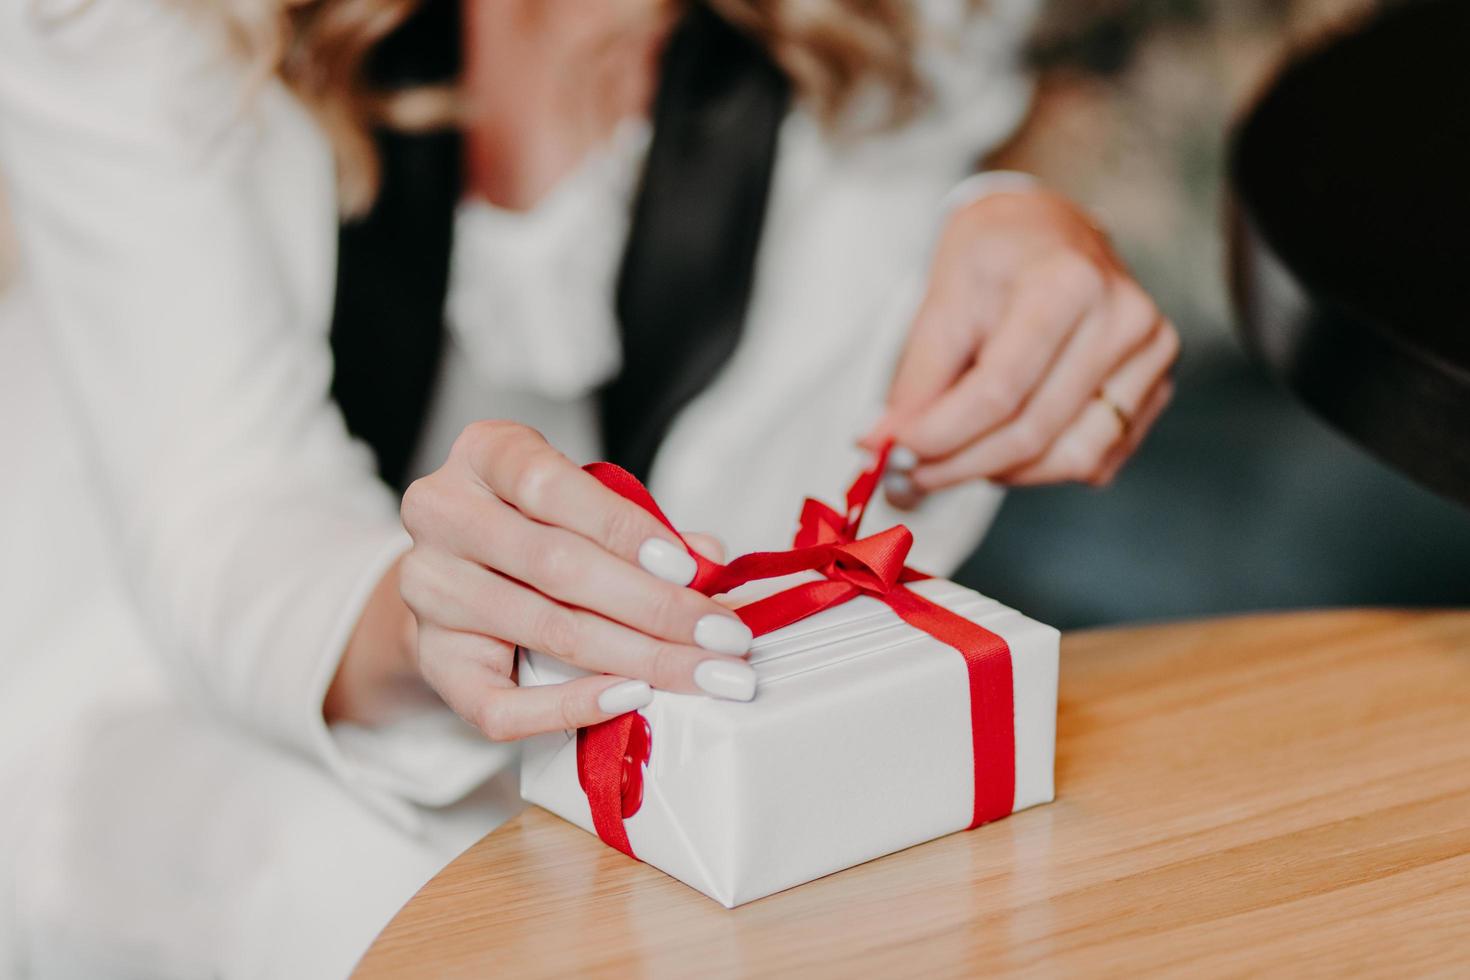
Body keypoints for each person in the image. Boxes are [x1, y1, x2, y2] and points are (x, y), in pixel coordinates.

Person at [0, 0, 1177, 974]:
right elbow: (224, 504)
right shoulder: (125, 26)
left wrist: (998, 234)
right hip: (176, 642)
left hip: (627, 687)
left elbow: (806, 477)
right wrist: (435, 620)